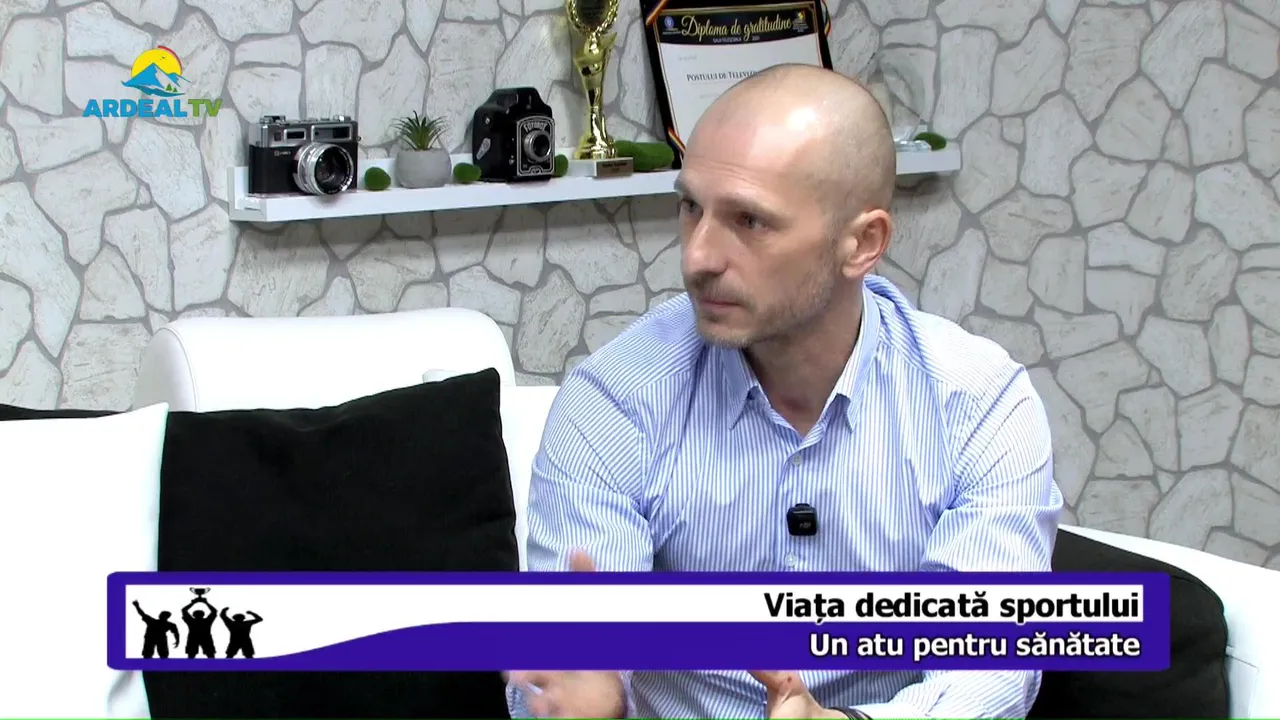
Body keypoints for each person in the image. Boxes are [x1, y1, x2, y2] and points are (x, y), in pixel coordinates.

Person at [506, 63, 1062, 719]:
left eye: (750, 220)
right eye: (691, 208)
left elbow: (991, 669)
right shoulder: (615, 398)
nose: (698, 257)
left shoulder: (979, 402)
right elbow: (570, 668)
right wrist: (592, 701)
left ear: (863, 243)